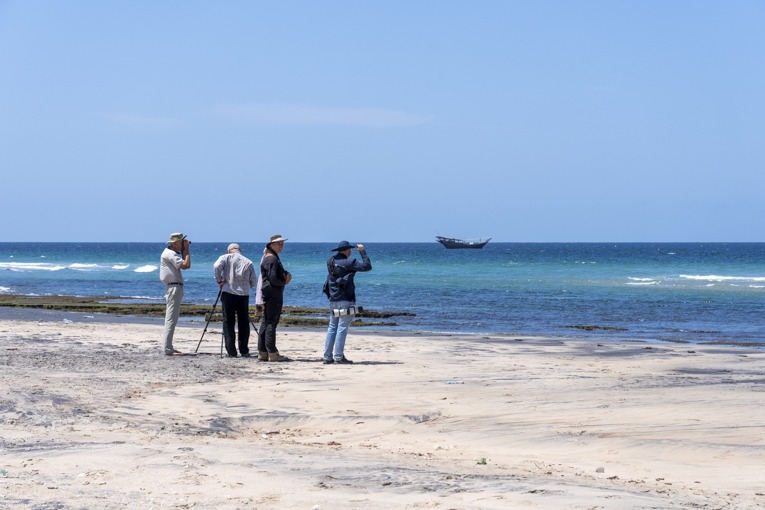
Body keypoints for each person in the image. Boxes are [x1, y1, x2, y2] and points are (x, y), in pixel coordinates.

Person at [322, 241, 372, 364]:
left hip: (333, 299)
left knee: (332, 327)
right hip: (346, 299)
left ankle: (328, 357)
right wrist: (362, 252)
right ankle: (338, 357)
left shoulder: (330, 261)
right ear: (348, 250)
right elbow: (367, 266)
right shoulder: (350, 262)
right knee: (342, 328)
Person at [214, 243, 258, 358]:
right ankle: (244, 350)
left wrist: (219, 281)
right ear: (239, 250)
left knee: (228, 322)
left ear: (229, 251)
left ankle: (231, 352)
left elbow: (216, 266)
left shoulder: (225, 257)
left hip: (228, 292)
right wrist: (245, 286)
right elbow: (253, 281)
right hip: (243, 295)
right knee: (244, 322)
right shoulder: (248, 261)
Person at [258, 235, 292, 361]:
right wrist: (285, 281)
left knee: (266, 322)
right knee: (271, 322)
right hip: (273, 294)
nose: (281, 246)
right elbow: (273, 279)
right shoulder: (271, 259)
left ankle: (263, 351)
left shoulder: (270, 257)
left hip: (269, 294)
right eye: (279, 244)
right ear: (271, 245)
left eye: (282, 244)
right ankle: (272, 352)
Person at [159, 233, 191, 356]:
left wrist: (184, 249)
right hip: (173, 287)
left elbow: (184, 264)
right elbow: (186, 265)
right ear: (175, 243)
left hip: (174, 287)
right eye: (181, 241)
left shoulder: (171, 253)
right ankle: (167, 348)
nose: (183, 243)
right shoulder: (170, 254)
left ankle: (169, 347)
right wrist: (186, 249)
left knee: (172, 318)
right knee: (171, 318)